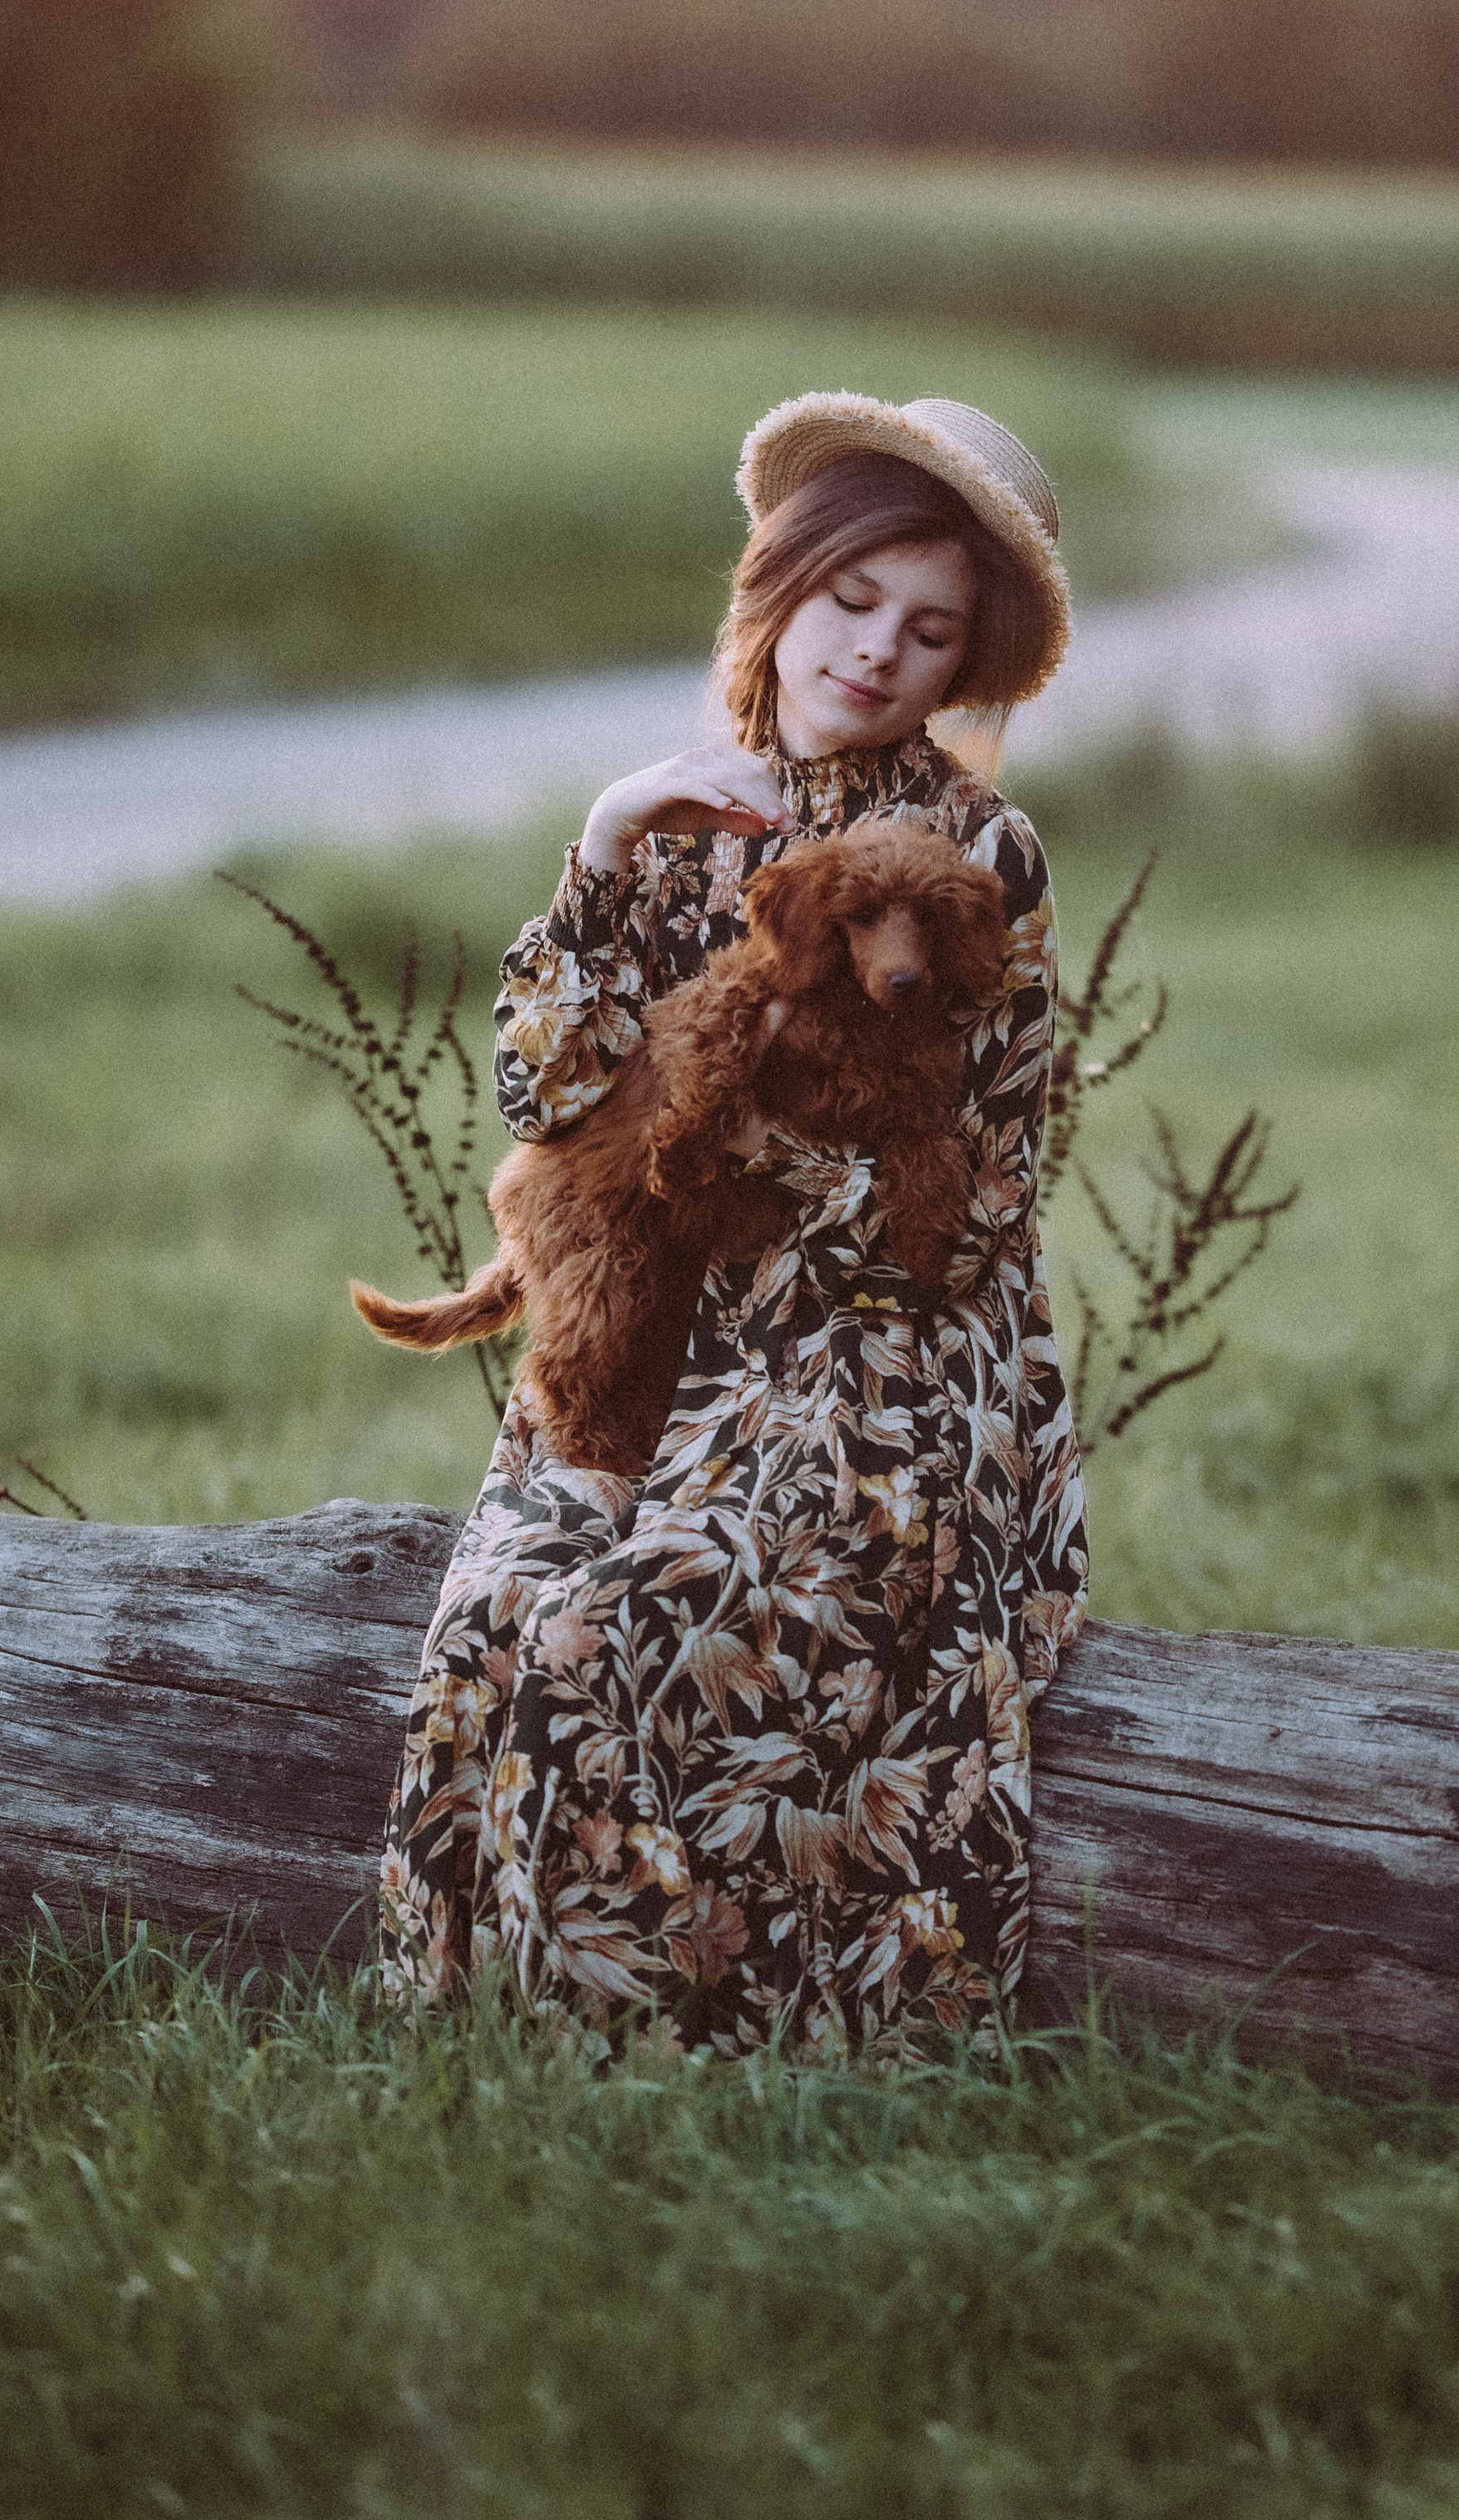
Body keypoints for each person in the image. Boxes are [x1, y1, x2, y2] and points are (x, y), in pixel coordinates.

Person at [380, 391, 1090, 2052]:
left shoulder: (978, 850)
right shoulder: (677, 809)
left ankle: (730, 2048)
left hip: (882, 1347)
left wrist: (746, 1191)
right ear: (781, 583)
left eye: (928, 632)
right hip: (647, 1320)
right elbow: (548, 1108)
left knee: (648, 1613)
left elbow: (986, 1193)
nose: (875, 654)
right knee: (500, 1607)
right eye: (851, 600)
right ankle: (486, 2040)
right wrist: (600, 844)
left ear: (959, 665)